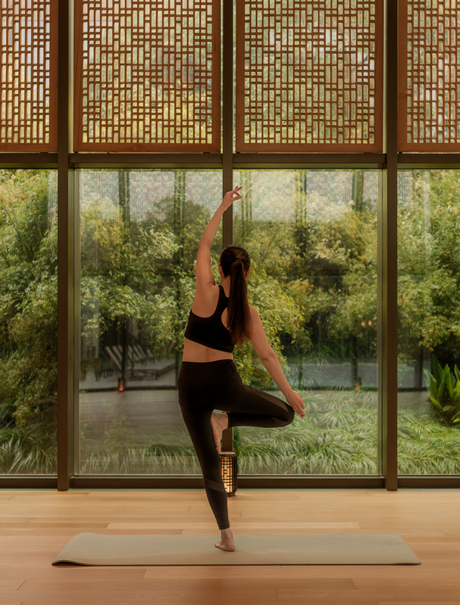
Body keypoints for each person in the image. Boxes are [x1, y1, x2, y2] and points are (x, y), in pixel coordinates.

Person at [178, 186, 306, 552]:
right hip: (224, 386)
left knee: (208, 463)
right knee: (284, 416)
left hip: (189, 385)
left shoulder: (205, 292)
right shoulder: (247, 313)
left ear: (219, 270)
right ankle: (225, 420)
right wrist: (289, 394)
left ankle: (226, 536)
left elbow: (203, 245)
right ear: (248, 273)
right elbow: (267, 358)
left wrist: (221, 206)